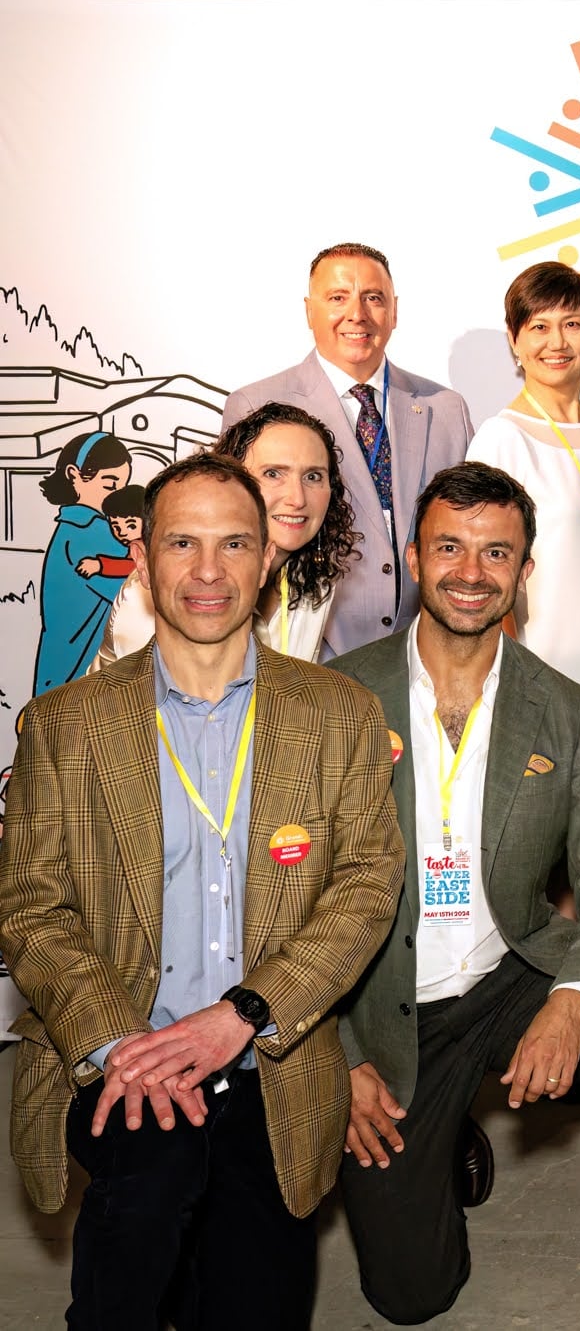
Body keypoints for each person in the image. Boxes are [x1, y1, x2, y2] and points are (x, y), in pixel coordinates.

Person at [0, 453, 403, 1328]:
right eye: (182, 542)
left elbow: (368, 886)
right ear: (142, 561)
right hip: (119, 1055)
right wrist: (120, 1043)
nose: (209, 570)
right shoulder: (65, 725)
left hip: (271, 1059)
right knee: (151, 1184)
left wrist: (242, 1013)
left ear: (267, 565)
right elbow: (30, 906)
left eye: (234, 544)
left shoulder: (338, 713)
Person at [330, 463, 580, 1330]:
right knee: (410, 1296)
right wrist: (336, 1054)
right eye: (450, 547)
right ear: (416, 558)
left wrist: (569, 1004)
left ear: (524, 572)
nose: (471, 570)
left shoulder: (565, 710)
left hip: (514, 970)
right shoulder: (338, 697)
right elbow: (286, 892)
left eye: (497, 551)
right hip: (384, 1000)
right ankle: (444, 1123)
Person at [223, 241, 474, 658]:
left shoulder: (446, 409)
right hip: (306, 660)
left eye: (373, 298)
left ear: (394, 310)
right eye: (337, 298)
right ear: (309, 311)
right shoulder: (255, 406)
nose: (356, 314)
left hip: (423, 660)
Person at [469, 262, 580, 784]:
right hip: (541, 692)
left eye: (572, 324)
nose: (557, 342)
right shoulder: (500, 439)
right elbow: (481, 576)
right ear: (515, 340)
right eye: (538, 326)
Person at [96, 401, 360, 667]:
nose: (297, 498)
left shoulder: (315, 580)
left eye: (313, 477)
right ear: (230, 479)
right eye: (273, 473)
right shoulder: (164, 587)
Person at [33, 429, 133, 694]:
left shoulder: (72, 527)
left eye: (122, 487)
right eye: (109, 485)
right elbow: (138, 591)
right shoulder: (90, 530)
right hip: (79, 673)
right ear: (74, 476)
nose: (116, 497)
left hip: (67, 671)